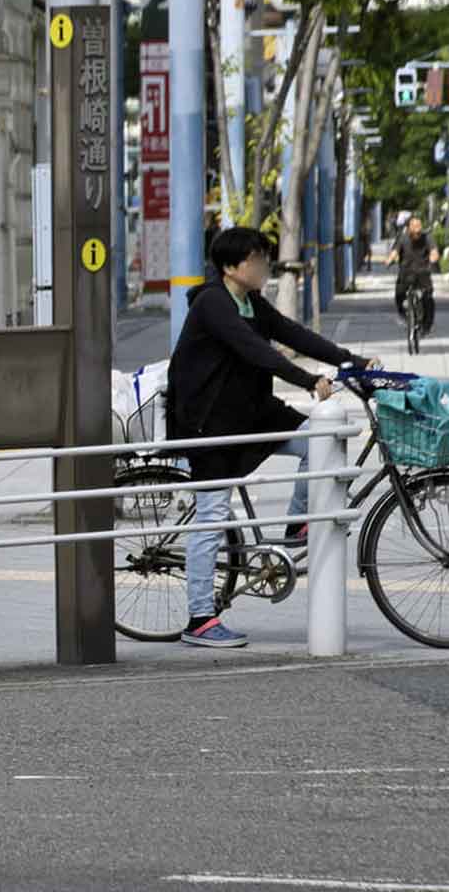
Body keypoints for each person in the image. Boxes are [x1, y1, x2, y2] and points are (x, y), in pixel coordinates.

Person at [168, 227, 373, 648]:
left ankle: (298, 523)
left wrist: (350, 359)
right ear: (229, 267)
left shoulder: (252, 302)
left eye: (264, 257)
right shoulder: (213, 304)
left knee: (321, 442)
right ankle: (199, 619)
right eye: (255, 259)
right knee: (211, 517)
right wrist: (307, 379)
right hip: (210, 423)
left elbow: (291, 333)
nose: (263, 266)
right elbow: (254, 349)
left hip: (253, 414)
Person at [385, 215, 439, 334]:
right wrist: (389, 260)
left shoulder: (427, 237)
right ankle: (405, 317)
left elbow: (434, 251)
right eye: (414, 226)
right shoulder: (402, 238)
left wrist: (433, 258)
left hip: (423, 272)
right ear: (408, 228)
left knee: (428, 298)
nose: (417, 228)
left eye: (419, 226)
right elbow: (395, 252)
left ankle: (426, 325)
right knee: (399, 295)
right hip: (406, 273)